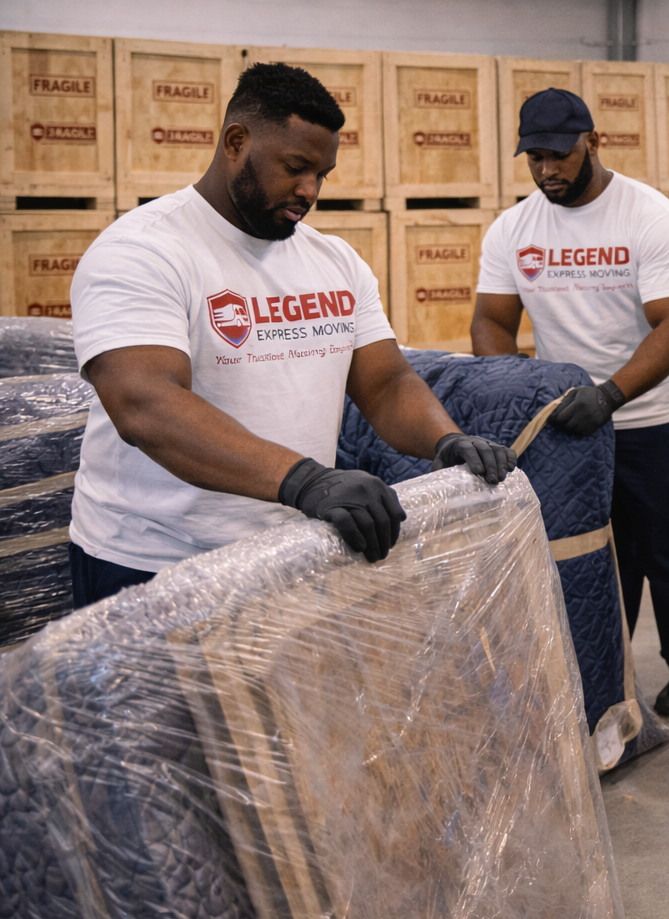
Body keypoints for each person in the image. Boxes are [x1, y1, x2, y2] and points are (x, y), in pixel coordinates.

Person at [69, 63, 513, 608]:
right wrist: (306, 481)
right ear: (236, 142)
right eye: (296, 167)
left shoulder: (334, 260)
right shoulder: (144, 251)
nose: (310, 190)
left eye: (322, 174)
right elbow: (146, 405)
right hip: (154, 562)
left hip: (293, 551)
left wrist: (444, 440)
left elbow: (386, 383)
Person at [470, 88, 669, 717]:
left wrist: (610, 395)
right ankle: (607, 672)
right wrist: (513, 391)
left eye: (559, 155)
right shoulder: (515, 229)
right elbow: (492, 321)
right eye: (535, 158)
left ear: (593, 142)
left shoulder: (649, 218)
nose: (547, 170)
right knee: (593, 556)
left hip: (659, 419)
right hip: (573, 428)